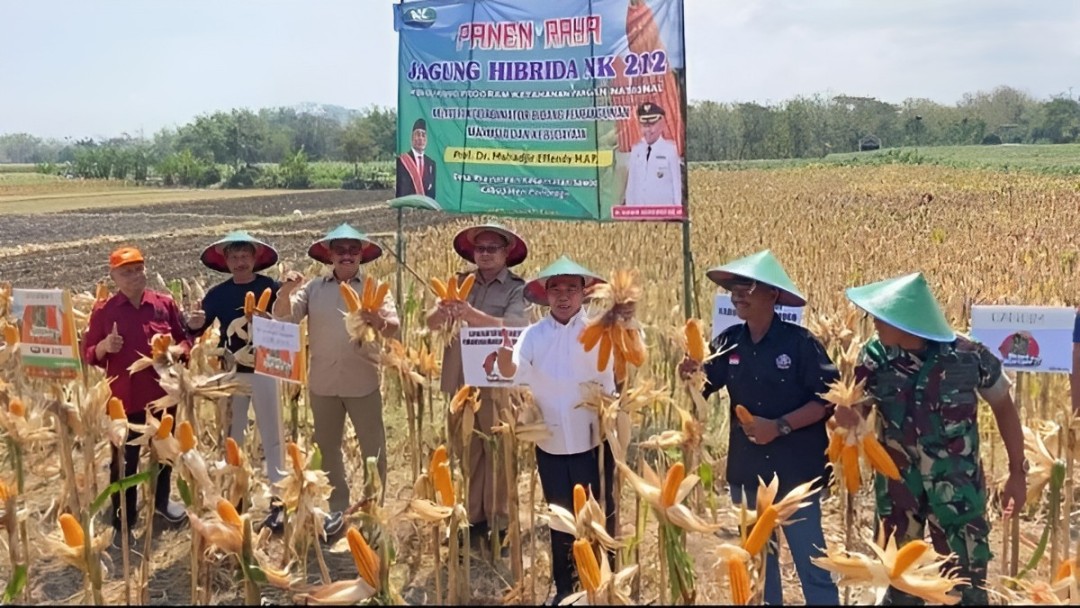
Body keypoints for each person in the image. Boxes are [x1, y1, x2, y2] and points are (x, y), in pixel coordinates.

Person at [838, 272, 1027, 605]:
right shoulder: (875, 359)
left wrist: (1016, 473)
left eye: (882, 317)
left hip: (958, 498)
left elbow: (1004, 408)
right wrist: (848, 421)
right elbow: (856, 414)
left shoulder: (970, 357)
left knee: (965, 591)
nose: (874, 323)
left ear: (907, 321)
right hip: (898, 497)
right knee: (900, 591)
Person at [678, 249, 839, 606]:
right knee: (759, 566)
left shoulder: (801, 344)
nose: (737, 295)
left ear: (772, 295)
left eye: (746, 287)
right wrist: (689, 375)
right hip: (749, 470)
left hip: (797, 472)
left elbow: (827, 400)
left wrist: (779, 426)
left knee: (811, 563)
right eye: (733, 288)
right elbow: (705, 387)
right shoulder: (728, 341)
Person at [496, 256, 616, 606]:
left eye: (571, 289)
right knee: (560, 517)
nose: (564, 297)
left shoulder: (598, 331)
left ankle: (603, 583)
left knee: (598, 515)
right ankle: (566, 588)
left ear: (584, 294)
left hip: (593, 439)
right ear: (546, 294)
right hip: (549, 442)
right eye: (556, 289)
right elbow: (514, 368)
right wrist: (503, 357)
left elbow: (615, 376)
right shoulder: (533, 335)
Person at [271, 223, 399, 537]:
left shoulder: (373, 287)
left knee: (374, 450)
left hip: (363, 383)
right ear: (330, 254)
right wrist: (286, 291)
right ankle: (337, 508)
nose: (346, 255)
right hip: (323, 384)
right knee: (327, 449)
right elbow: (283, 318)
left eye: (353, 250)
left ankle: (372, 509)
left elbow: (393, 326)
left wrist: (375, 318)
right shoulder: (313, 288)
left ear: (362, 255)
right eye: (340, 249)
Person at [425, 223, 528, 553]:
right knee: (467, 450)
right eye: (480, 249)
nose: (484, 254)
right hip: (461, 378)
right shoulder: (456, 283)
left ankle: (499, 522)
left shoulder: (516, 288)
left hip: (498, 380)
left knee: (498, 449)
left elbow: (516, 326)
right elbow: (429, 323)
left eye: (492, 249)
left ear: (505, 254)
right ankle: (473, 519)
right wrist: (443, 311)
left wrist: (470, 313)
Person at [83, 246, 191, 540]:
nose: (134, 276)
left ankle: (161, 505)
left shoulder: (164, 305)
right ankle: (124, 518)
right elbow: (89, 353)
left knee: (164, 456)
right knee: (125, 462)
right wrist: (106, 346)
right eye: (126, 272)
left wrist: (174, 351)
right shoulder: (104, 311)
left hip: (162, 395)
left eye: (138, 269)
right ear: (114, 276)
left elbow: (186, 342)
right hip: (124, 399)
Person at [186, 230, 287, 531]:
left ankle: (279, 503)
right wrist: (191, 323)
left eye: (245, 257)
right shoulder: (217, 295)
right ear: (226, 261)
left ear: (255, 259)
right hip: (232, 373)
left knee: (273, 438)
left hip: (267, 370)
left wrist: (290, 292)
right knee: (233, 438)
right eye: (235, 257)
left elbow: (287, 318)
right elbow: (196, 327)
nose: (240, 262)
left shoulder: (271, 287)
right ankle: (235, 499)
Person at [623, 102, 682, 207]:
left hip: (663, 216)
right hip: (639, 215)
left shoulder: (670, 150)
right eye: (644, 125)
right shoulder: (636, 149)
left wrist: (677, 212)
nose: (648, 130)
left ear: (662, 124)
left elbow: (676, 186)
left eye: (652, 125)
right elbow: (631, 186)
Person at [396, 118, 436, 199]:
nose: (421, 138)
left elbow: (432, 192)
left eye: (423, 135)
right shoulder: (402, 161)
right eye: (417, 134)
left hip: (425, 208)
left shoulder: (431, 163)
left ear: (426, 139)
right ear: (412, 138)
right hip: (407, 206)